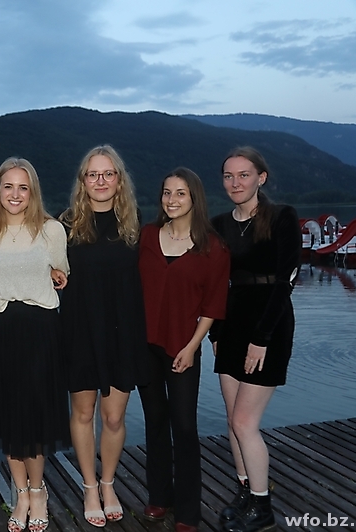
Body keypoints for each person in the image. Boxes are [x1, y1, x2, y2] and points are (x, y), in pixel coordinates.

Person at [0, 157, 70, 532]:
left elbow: (62, 273)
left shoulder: (51, 230)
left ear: (33, 192)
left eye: (23, 187)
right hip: (2, 329)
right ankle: (20, 493)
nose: (15, 194)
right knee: (9, 415)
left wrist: (58, 275)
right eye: (8, 186)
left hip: (41, 330)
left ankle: (38, 490)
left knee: (35, 416)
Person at [210, 147, 300, 532]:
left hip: (269, 325)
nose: (235, 183)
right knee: (233, 418)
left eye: (243, 175)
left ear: (260, 178)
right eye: (229, 176)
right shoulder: (218, 225)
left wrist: (262, 338)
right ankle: (246, 492)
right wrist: (215, 333)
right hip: (231, 325)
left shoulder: (281, 217)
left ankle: (263, 508)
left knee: (245, 421)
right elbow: (214, 284)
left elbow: (286, 281)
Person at [58, 145, 147, 527]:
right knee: (83, 414)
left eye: (108, 174)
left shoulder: (135, 223)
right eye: (93, 174)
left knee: (113, 419)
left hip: (122, 332)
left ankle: (108, 483)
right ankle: (90, 487)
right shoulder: (64, 225)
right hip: (79, 330)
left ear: (119, 180)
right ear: (83, 181)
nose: (100, 181)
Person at [137, 168, 230, 532]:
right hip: (145, 345)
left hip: (182, 348)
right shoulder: (147, 237)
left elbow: (213, 306)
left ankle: (188, 512)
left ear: (194, 198)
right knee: (155, 422)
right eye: (167, 193)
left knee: (185, 427)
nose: (172, 200)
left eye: (180, 193)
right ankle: (160, 497)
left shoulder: (212, 247)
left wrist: (192, 347)